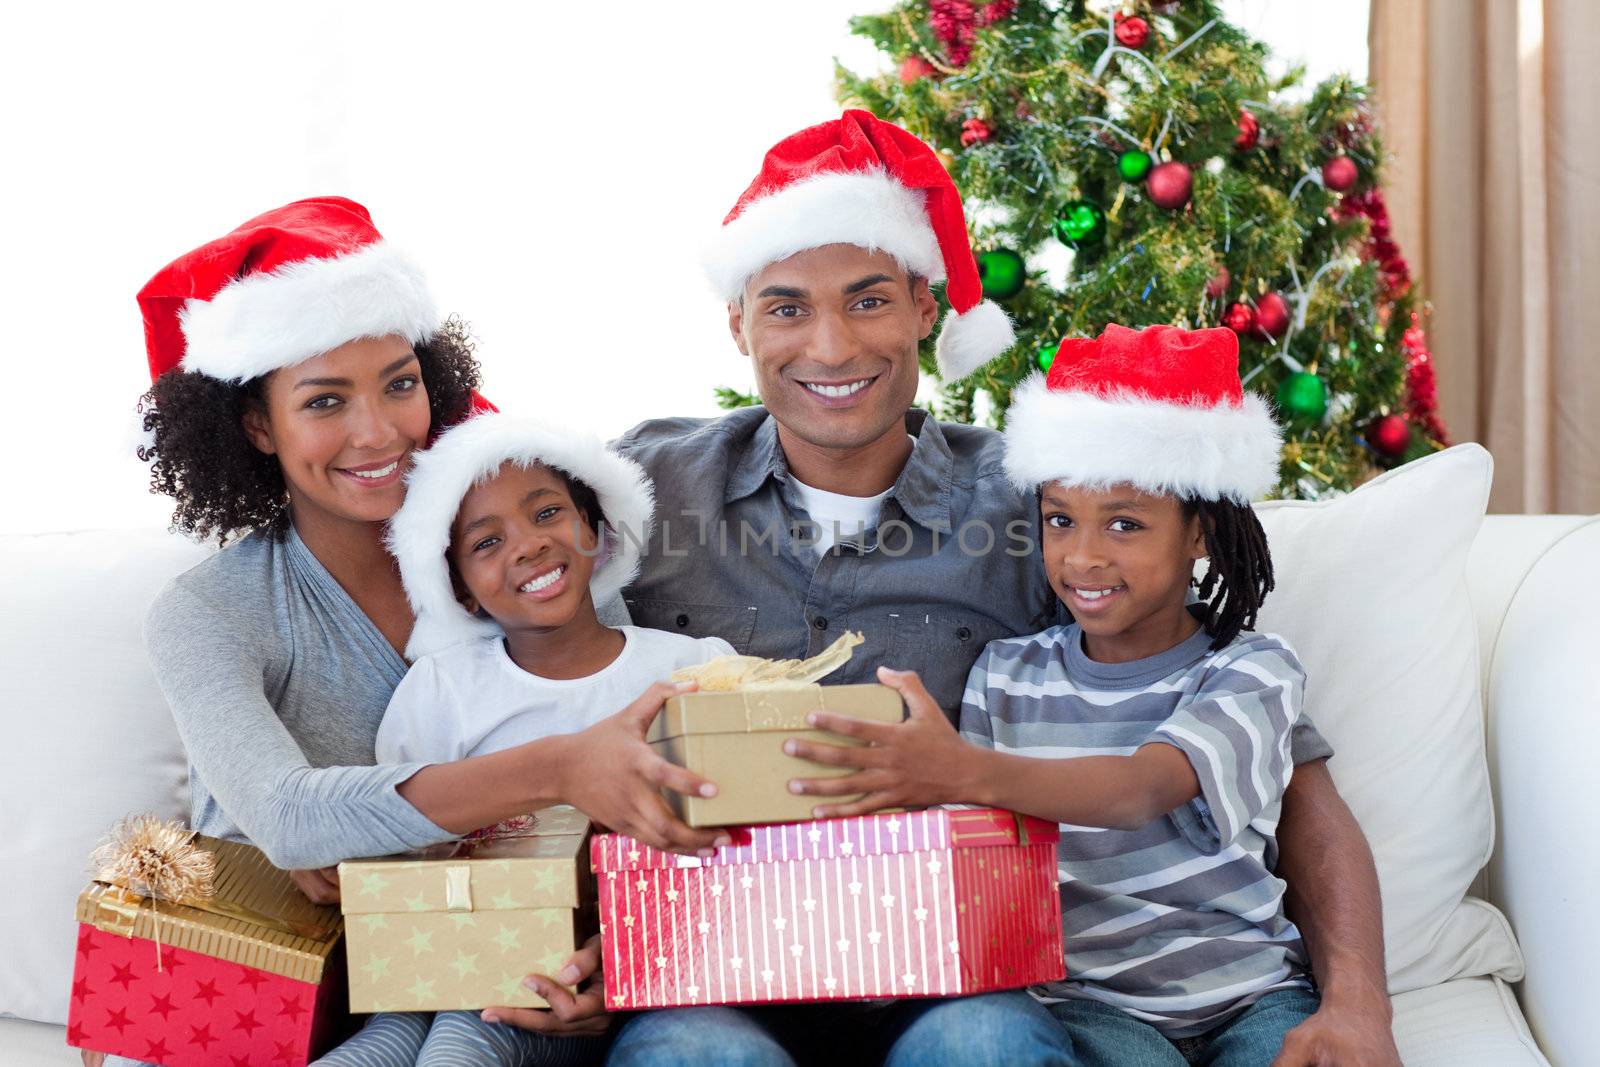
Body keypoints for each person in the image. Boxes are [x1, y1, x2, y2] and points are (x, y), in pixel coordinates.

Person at [611, 112, 1400, 1066]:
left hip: (947, 977)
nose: (829, 346)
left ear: (924, 305)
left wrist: (1358, 1000)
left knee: (989, 1044)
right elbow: (500, 657)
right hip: (714, 967)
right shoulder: (639, 489)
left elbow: (1288, 775)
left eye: (867, 301)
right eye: (785, 307)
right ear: (736, 323)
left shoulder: (1046, 506)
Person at [109, 198, 714, 1067]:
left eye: (400, 382)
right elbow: (286, 817)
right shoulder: (207, 614)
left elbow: (628, 754)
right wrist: (558, 764)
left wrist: (609, 965)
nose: (380, 431)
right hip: (284, 987)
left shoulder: (525, 559)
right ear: (255, 426)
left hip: (506, 975)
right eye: (325, 400)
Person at [791, 323, 1321, 1064]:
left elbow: (1142, 787)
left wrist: (955, 768)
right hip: (1084, 1004)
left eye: (1127, 524)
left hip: (1249, 995)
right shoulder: (1006, 673)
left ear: (1198, 533)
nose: (1084, 556)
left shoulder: (1252, 669)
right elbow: (976, 859)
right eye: (1060, 520)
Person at [315, 413, 735, 1066]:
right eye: (486, 542)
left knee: (463, 1043)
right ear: (461, 589)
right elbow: (395, 844)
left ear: (594, 527)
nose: (529, 545)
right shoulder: (443, 688)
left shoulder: (689, 671)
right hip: (445, 956)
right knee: (378, 1046)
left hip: (584, 976)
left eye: (547, 513)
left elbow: (740, 844)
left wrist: (622, 962)